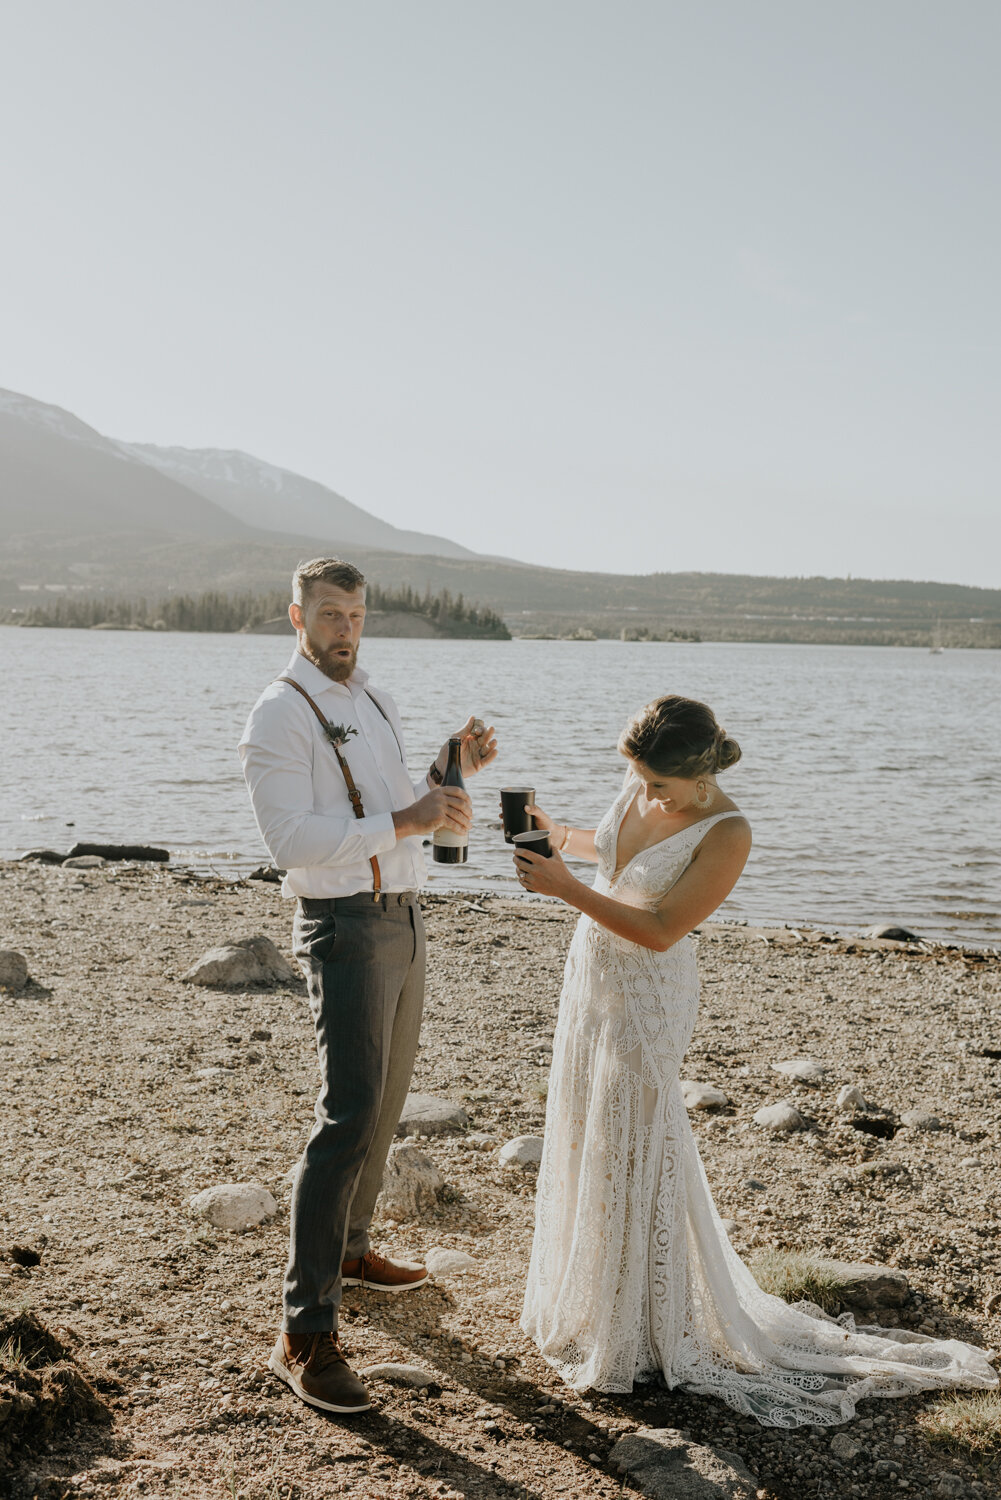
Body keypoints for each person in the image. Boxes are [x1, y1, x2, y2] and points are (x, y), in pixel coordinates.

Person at [514, 695, 997, 1426]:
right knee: (592, 1134)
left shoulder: (727, 831)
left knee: (642, 1141)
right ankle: (595, 1299)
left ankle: (649, 1321)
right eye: (638, 780)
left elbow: (662, 928)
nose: (645, 795)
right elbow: (611, 847)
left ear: (702, 773)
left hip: (648, 990)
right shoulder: (644, 781)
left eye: (659, 786)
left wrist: (567, 891)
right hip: (591, 980)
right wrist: (556, 836)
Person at [239, 556, 497, 1415]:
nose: (344, 629)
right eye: (329, 615)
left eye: (355, 615)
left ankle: (350, 1253)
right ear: (295, 617)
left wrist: (447, 770)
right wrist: (410, 818)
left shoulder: (376, 700)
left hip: (406, 916)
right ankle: (303, 1332)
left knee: (384, 1108)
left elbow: (403, 807)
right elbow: (294, 841)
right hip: (345, 925)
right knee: (347, 1116)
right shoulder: (279, 713)